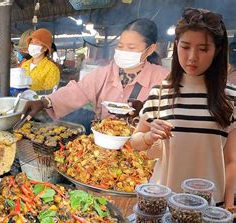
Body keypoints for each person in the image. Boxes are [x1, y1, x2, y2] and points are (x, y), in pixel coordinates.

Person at [130, 8, 235, 209]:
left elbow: (231, 161)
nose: (192, 57)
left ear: (217, 50)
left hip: (210, 208)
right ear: (176, 45)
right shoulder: (161, 92)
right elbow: (135, 142)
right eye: (185, 47)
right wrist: (149, 137)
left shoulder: (230, 97)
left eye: (203, 49)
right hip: (162, 204)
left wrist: (228, 206)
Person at [22, 18, 169, 131]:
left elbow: (173, 118)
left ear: (150, 50)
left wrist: (145, 113)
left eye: (131, 47)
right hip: (103, 142)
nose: (123, 51)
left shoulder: (163, 79)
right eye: (120, 46)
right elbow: (77, 91)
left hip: (142, 151)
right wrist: (44, 102)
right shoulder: (104, 73)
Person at [21, 28, 60, 94]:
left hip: (38, 103)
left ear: (45, 48)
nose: (32, 45)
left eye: (37, 43)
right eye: (31, 42)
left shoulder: (52, 69)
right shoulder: (25, 64)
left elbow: (49, 94)